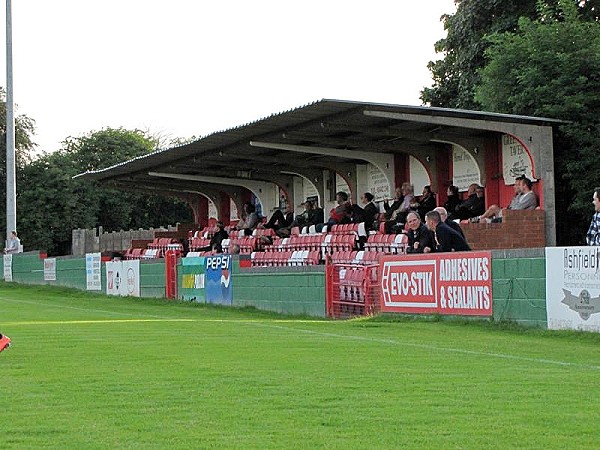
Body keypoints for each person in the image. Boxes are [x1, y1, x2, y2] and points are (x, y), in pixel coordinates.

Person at [471, 176, 538, 223]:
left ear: (525, 186)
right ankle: (477, 219)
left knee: (492, 210)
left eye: (519, 185)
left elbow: (517, 209)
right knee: (484, 220)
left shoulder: (530, 196)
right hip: (510, 216)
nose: (517, 187)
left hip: (516, 218)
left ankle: (477, 219)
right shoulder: (521, 195)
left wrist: (507, 210)